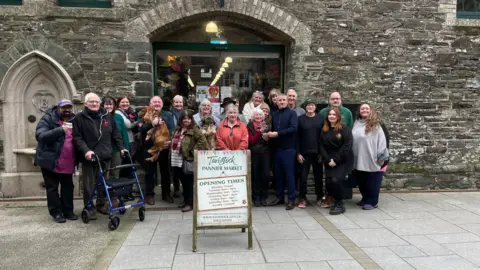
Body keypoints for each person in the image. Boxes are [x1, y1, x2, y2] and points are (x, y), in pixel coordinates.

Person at [73, 93, 127, 219]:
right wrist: (86, 151)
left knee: (103, 182)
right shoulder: (79, 118)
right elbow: (77, 138)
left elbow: (116, 134)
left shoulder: (107, 116)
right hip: (89, 157)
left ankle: (101, 204)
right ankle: (89, 205)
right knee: (89, 183)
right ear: (85, 104)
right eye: (91, 102)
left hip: (105, 155)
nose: (94, 104)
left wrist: (122, 148)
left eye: (96, 102)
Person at [35, 99, 77, 223]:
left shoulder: (74, 120)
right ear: (58, 108)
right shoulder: (48, 118)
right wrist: (60, 130)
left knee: (68, 187)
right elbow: (40, 136)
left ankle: (68, 211)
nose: (67, 110)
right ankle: (56, 212)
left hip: (68, 161)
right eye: (64, 108)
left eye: (69, 107)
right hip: (50, 161)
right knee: (52, 188)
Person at [319, 91, 354, 205]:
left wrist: (336, 159)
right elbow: (321, 143)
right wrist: (327, 158)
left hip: (341, 155)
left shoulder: (346, 116)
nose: (331, 116)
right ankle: (330, 197)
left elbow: (347, 141)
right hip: (328, 156)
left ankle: (339, 202)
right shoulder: (323, 118)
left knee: (336, 179)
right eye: (333, 98)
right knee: (329, 180)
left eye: (337, 98)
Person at [139, 96, 175, 205]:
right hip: (149, 148)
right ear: (150, 103)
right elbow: (140, 129)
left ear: (162, 104)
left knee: (165, 172)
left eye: (159, 102)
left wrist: (170, 141)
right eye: (155, 102)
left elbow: (172, 129)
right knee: (150, 172)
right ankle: (149, 195)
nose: (157, 103)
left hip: (164, 147)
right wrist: (152, 124)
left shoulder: (168, 115)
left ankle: (166, 193)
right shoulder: (144, 113)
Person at [352, 104, 389, 210]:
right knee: (362, 181)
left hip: (373, 158)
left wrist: (382, 157)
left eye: (367, 108)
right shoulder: (357, 123)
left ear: (371, 110)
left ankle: (373, 202)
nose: (364, 110)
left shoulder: (376, 124)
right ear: (359, 111)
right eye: (362, 108)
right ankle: (365, 198)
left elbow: (383, 141)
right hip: (359, 157)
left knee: (372, 181)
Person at [170, 110, 207, 212]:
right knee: (183, 182)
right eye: (184, 118)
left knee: (189, 182)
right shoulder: (178, 130)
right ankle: (186, 201)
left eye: (188, 118)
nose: (186, 120)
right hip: (176, 160)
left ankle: (190, 203)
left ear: (191, 120)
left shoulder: (195, 129)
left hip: (187, 160)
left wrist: (191, 151)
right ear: (181, 120)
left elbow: (203, 142)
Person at [267, 94, 298, 210]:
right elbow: (271, 128)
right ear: (276, 102)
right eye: (279, 100)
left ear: (287, 101)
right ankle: (280, 197)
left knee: (289, 176)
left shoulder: (292, 113)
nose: (281, 102)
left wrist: (278, 134)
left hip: (288, 150)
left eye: (283, 100)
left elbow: (293, 128)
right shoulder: (274, 114)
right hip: (277, 150)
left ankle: (291, 199)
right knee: (278, 175)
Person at [296, 99, 324, 208]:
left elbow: (323, 138)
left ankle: (319, 196)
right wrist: (298, 153)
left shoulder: (321, 119)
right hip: (304, 154)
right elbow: (297, 138)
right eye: (308, 105)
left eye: (312, 105)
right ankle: (302, 197)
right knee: (303, 177)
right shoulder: (300, 119)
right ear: (305, 107)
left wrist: (322, 153)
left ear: (315, 107)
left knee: (319, 177)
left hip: (317, 154)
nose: (310, 107)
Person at [102, 97, 130, 181]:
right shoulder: (100, 117)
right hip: (104, 150)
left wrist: (126, 147)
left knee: (115, 173)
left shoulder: (118, 117)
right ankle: (103, 193)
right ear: (102, 105)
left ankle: (114, 193)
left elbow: (124, 134)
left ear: (114, 106)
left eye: (111, 104)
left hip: (116, 149)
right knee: (104, 173)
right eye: (106, 104)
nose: (109, 106)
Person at [247, 108, 271, 207]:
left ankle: (264, 197)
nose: (258, 117)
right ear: (253, 116)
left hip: (265, 153)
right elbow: (251, 141)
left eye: (260, 115)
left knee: (265, 176)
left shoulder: (267, 126)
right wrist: (259, 132)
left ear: (263, 116)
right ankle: (256, 197)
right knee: (255, 175)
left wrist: (267, 138)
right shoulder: (249, 126)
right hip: (254, 154)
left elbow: (270, 141)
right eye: (256, 115)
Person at [170, 95, 184, 197]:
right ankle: (176, 189)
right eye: (176, 102)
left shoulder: (187, 114)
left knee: (184, 168)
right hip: (173, 144)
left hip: (184, 144)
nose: (178, 104)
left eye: (180, 102)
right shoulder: (169, 115)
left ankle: (185, 188)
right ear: (173, 103)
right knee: (174, 168)